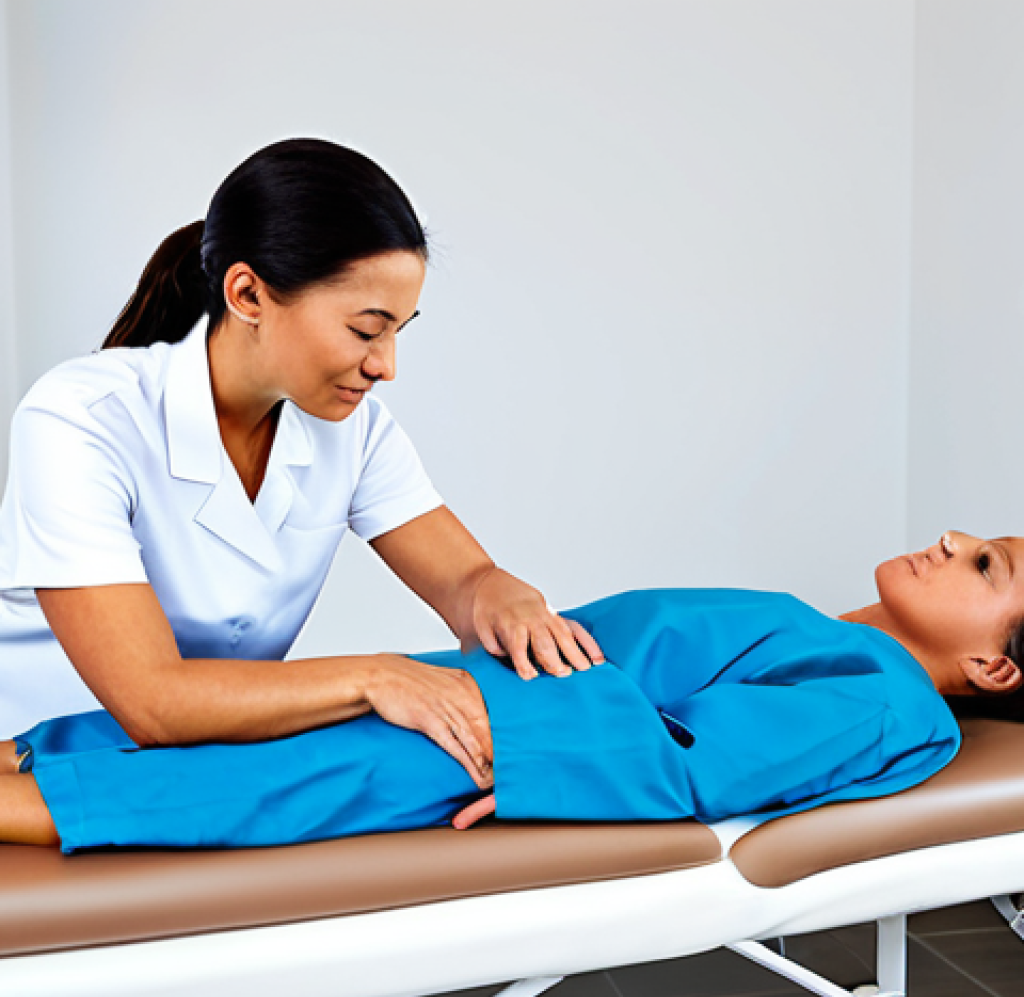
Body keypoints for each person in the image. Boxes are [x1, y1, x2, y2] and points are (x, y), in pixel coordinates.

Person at [0, 139, 606, 788]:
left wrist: (501, 596)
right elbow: (153, 702)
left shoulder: (352, 429)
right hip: (37, 769)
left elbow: (466, 582)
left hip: (218, 769)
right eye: (367, 330)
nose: (386, 366)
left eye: (400, 330)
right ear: (248, 294)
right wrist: (375, 676)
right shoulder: (81, 417)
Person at [1, 530, 1021, 852]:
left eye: (988, 568)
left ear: (994, 668)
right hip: (478, 693)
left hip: (490, 732)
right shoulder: (829, 636)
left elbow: (700, 763)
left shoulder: (888, 700)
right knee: (227, 722)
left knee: (243, 780)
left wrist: (526, 754)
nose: (953, 542)